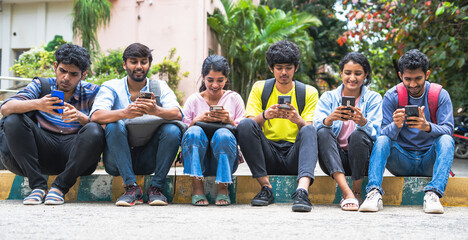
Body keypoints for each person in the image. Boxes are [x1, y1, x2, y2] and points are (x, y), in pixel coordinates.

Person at [0, 44, 104, 205]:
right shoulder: (41, 85)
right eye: (62, 71)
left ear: (83, 75)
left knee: (94, 128)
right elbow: (6, 108)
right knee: (13, 119)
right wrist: (38, 104)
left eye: (73, 74)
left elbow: (105, 126)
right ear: (55, 67)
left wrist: (81, 117)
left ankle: (59, 188)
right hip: (42, 150)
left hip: (75, 153)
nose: (66, 78)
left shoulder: (93, 92)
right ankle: (38, 187)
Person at [359, 49, 454, 214]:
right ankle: (373, 192)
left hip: (428, 159)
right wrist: (395, 125)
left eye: (418, 78)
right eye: (407, 79)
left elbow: (449, 129)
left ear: (427, 74)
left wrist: (427, 126)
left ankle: (433, 194)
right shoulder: (392, 96)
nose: (413, 84)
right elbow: (382, 133)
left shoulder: (439, 95)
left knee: (446, 140)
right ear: (400, 75)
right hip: (400, 160)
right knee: (382, 140)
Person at [90, 43, 183, 207]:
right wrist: (125, 113)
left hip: (149, 158)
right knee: (114, 124)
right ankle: (131, 188)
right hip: (116, 160)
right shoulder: (112, 86)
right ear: (125, 64)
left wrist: (156, 110)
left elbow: (177, 113)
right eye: (134, 61)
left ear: (149, 64)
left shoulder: (160, 87)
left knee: (172, 129)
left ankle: (156, 189)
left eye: (144, 61)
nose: (139, 66)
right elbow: (96, 115)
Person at [237, 40, 319, 212]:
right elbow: (250, 124)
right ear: (271, 68)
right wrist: (265, 115)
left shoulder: (308, 92)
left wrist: (297, 119)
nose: (283, 72)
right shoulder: (260, 88)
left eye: (288, 67)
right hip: (268, 154)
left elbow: (309, 128)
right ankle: (266, 188)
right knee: (244, 124)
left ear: (296, 68)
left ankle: (302, 191)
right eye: (279, 67)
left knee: (309, 129)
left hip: (294, 156)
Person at [313, 52, 382, 211]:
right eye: (348, 73)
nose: (352, 78)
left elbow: (378, 134)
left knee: (358, 135)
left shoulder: (374, 98)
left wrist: (363, 122)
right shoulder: (328, 97)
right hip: (334, 160)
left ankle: (357, 191)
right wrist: (329, 119)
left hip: (361, 159)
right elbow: (315, 127)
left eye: (358, 73)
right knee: (323, 131)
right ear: (341, 73)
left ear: (365, 75)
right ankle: (347, 192)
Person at [181, 55, 245, 206]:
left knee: (223, 134)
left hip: (225, 158)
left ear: (226, 78)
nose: (215, 85)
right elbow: (183, 133)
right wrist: (198, 120)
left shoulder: (234, 98)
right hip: (197, 159)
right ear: (203, 77)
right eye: (210, 80)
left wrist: (228, 120)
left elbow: (244, 130)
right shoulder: (193, 100)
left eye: (220, 80)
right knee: (193, 133)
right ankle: (197, 187)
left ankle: (223, 188)